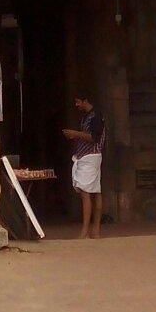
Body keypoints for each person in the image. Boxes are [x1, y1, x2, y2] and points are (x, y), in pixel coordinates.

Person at [62, 94, 105, 239]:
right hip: (87, 156)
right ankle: (95, 231)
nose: (77, 105)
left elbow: (94, 137)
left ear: (86, 100)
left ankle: (85, 231)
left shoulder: (96, 116)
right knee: (95, 191)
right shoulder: (86, 116)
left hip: (90, 156)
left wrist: (76, 133)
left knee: (85, 193)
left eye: (78, 102)